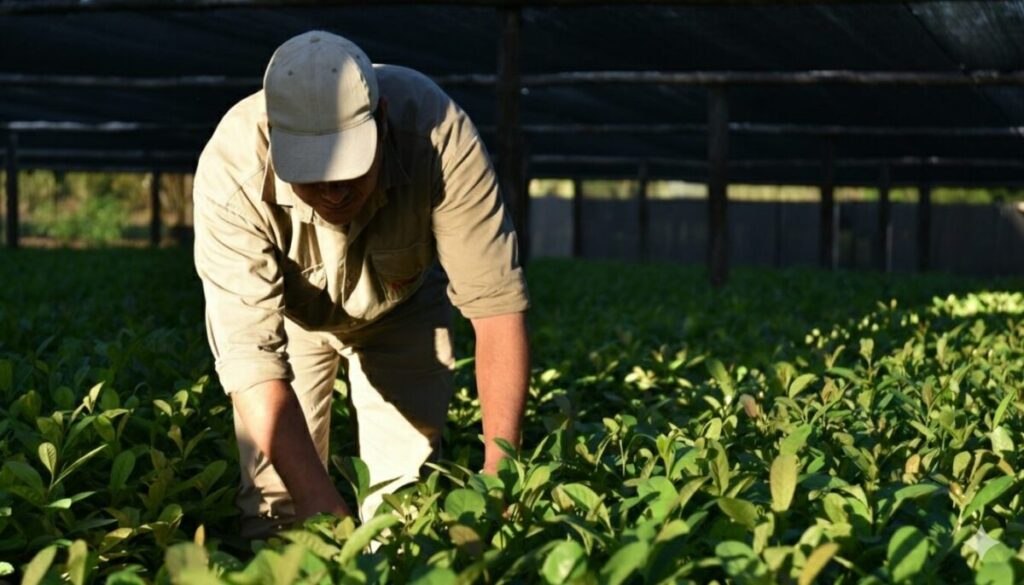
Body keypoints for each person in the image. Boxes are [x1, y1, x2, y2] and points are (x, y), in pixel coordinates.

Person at [192, 30, 530, 538]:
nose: (331, 191)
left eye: (348, 168)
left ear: (383, 120)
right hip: (293, 321)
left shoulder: (437, 135)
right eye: (310, 173)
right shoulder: (233, 170)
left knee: (404, 509)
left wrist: (501, 475)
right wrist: (320, 506)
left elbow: (496, 308)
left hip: (402, 313)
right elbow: (252, 360)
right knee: (276, 507)